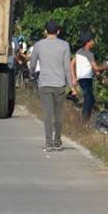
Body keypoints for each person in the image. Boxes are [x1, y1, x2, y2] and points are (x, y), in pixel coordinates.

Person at [29, 21, 77, 152]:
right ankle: (57, 141)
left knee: (47, 114)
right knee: (58, 114)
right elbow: (67, 68)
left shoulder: (39, 45)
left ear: (45, 31)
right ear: (58, 31)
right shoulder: (65, 45)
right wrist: (71, 86)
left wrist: (32, 73)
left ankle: (48, 142)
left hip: (45, 83)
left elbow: (32, 64)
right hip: (59, 84)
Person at [70, 31, 108, 123]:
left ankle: (85, 120)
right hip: (86, 80)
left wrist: (74, 77)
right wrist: (107, 67)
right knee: (89, 99)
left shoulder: (79, 52)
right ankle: (84, 121)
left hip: (82, 79)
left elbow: (71, 64)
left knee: (90, 99)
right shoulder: (89, 54)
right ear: (88, 42)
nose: (93, 42)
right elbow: (96, 67)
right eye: (92, 41)